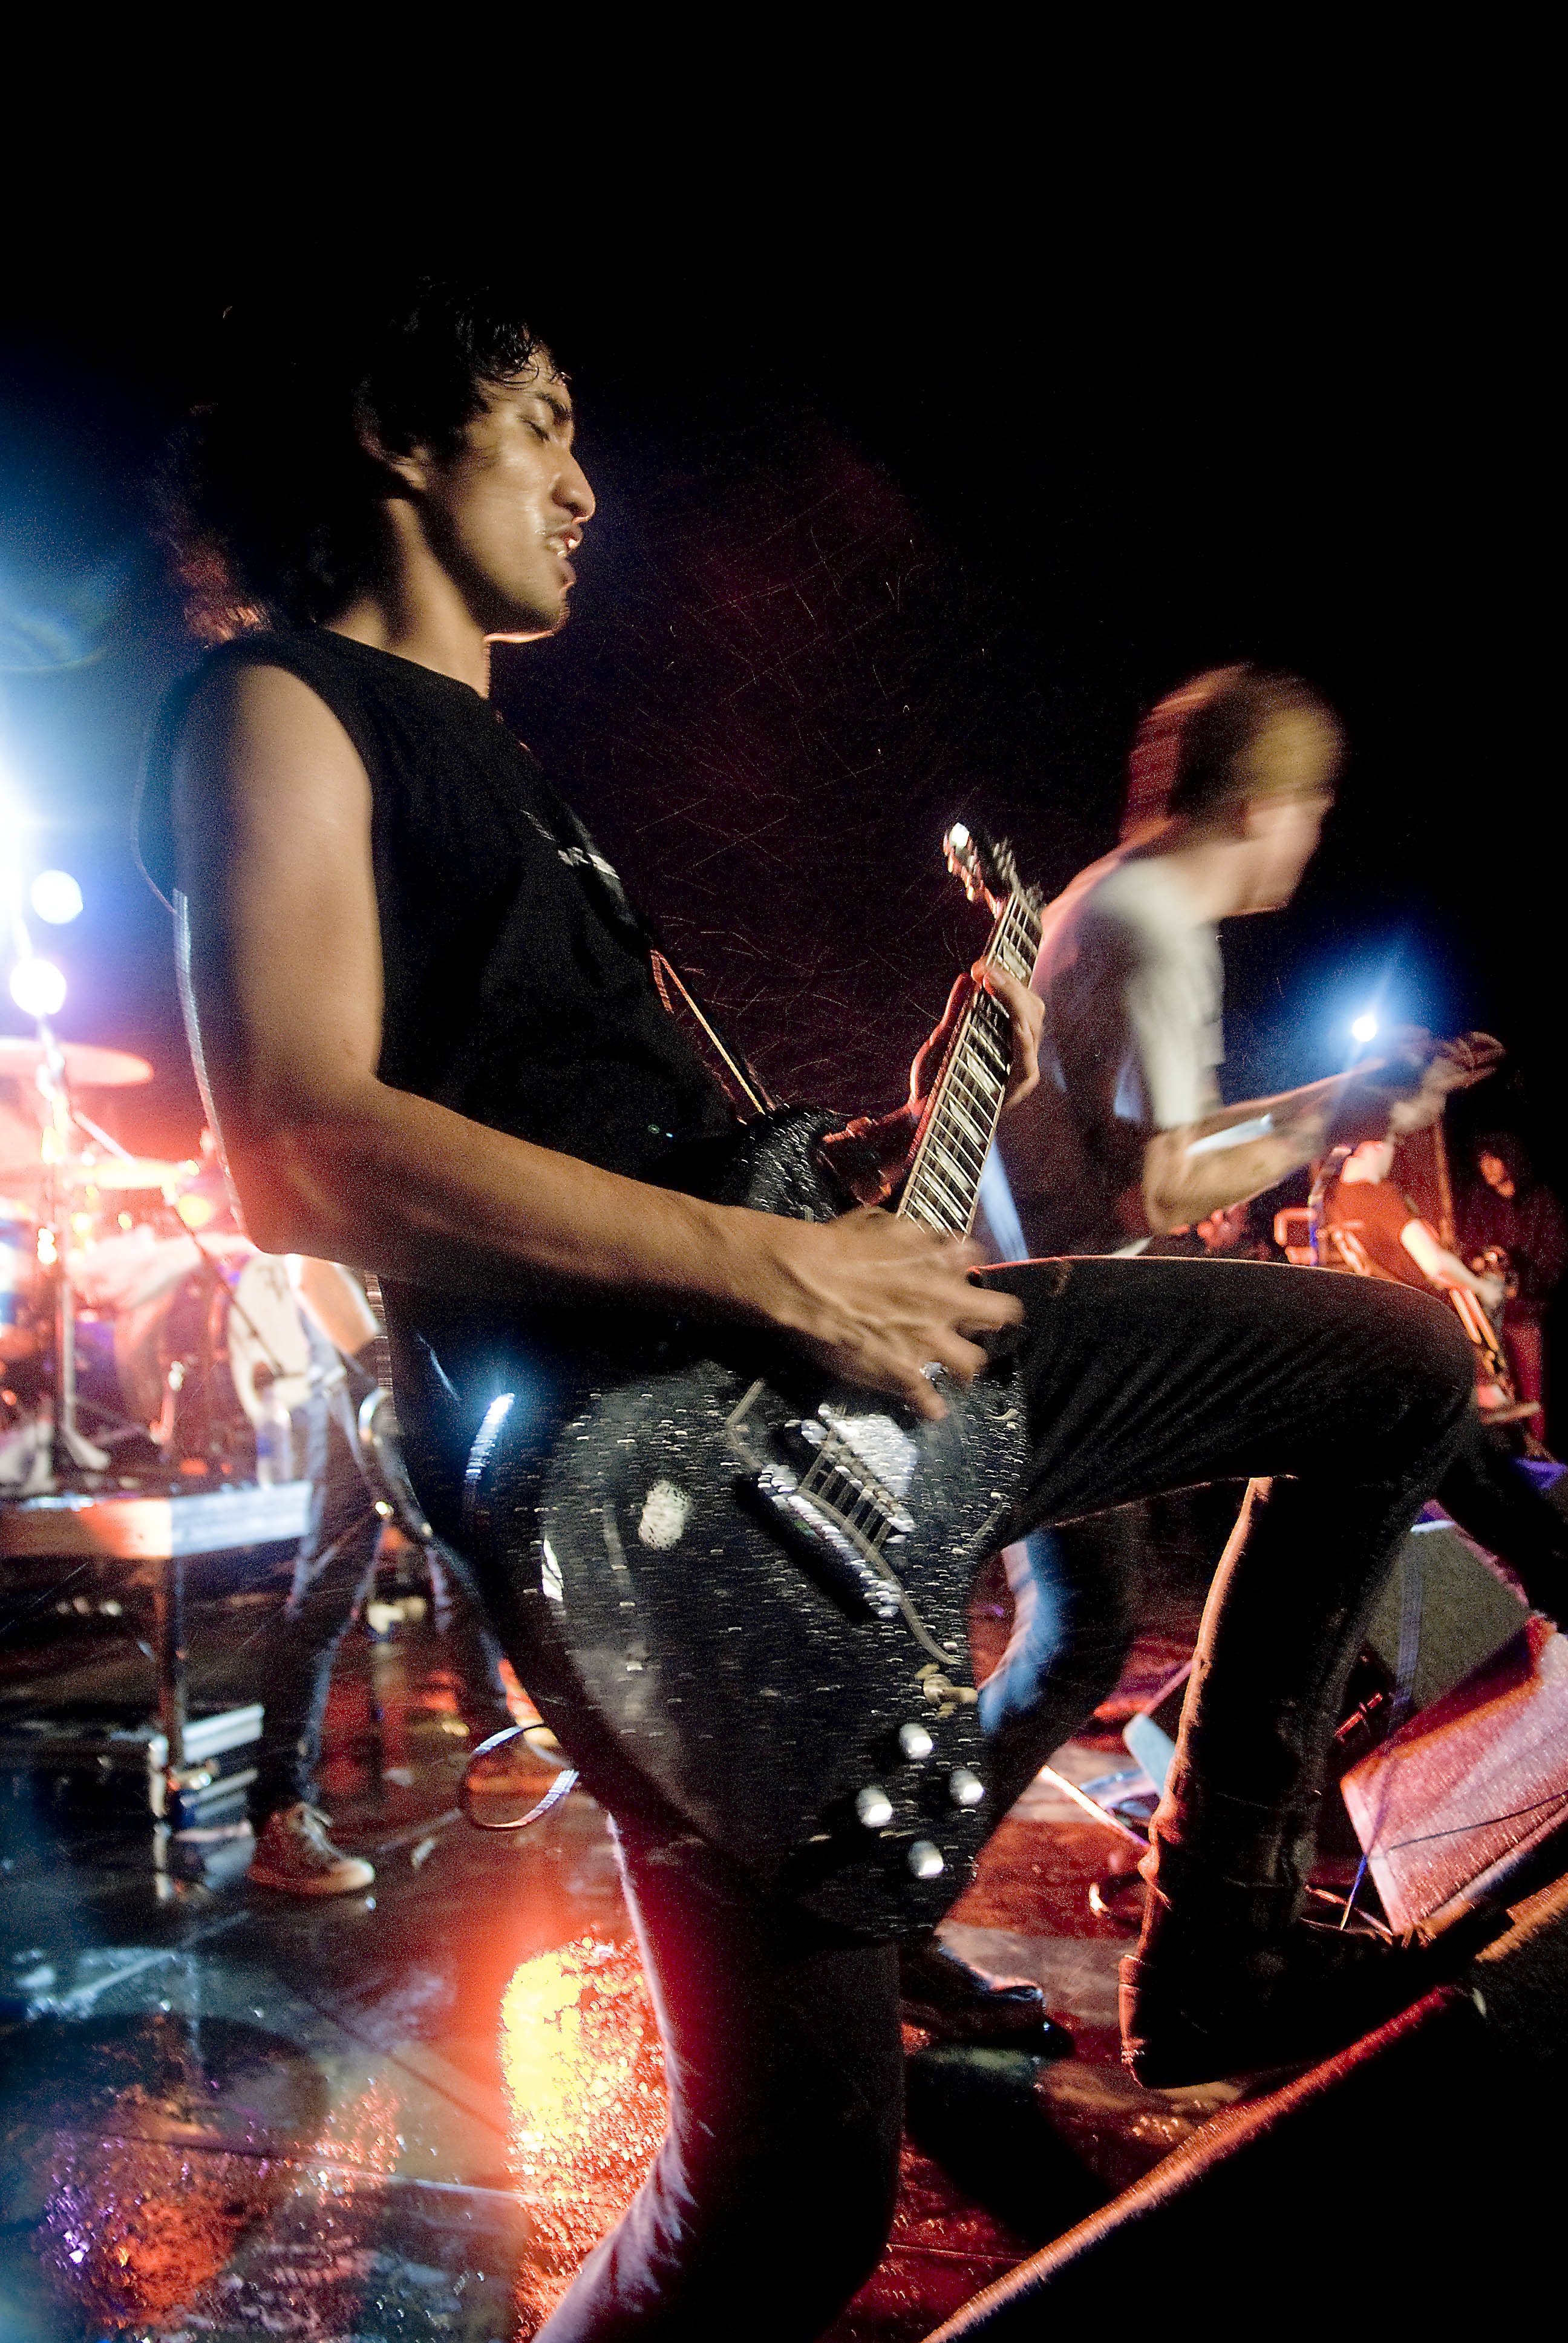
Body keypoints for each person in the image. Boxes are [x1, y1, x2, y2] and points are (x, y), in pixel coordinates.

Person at [147, 281, 1539, 2339]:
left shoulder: (508, 772)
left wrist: (867, 1171)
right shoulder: (277, 705)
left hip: (786, 1388)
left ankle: (1222, 1941)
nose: (585, 483)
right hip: (648, 1503)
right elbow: (297, 1138)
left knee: (1393, 1364)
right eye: (542, 420)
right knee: (788, 2206)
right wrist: (779, 1260)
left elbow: (644, 1154)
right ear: (393, 433)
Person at [987, 669, 1489, 1792]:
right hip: (1054, 1332)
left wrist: (1342, 1093)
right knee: (1385, 1374)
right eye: (1314, 811)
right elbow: (1160, 1190)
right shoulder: (1155, 930)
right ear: (1263, 809)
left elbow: (1158, 1148)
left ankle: (898, 1870)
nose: (1313, 840)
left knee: (1079, 1634)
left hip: (1032, 1314)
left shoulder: (1117, 901)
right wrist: (1338, 1113)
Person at [1463, 1131, 1568, 1435]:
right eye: (1482, 1161)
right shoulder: (1481, 1201)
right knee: (1497, 1391)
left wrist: (1519, 1284)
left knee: (1531, 1392)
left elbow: (1554, 1259)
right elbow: (1470, 1248)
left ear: (1509, 1160)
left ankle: (1538, 1450)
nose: (1487, 1167)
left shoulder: (1540, 1202)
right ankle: (1510, 1450)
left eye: (1493, 1159)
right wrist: (1482, 1260)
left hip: (1526, 1314)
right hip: (1487, 1316)